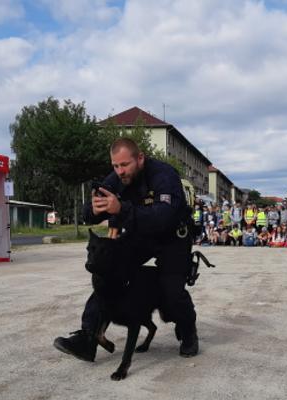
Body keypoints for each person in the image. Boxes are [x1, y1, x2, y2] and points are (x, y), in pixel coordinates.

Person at [53, 137, 199, 361]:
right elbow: (90, 212)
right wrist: (93, 209)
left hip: (172, 237)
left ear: (139, 158)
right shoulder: (117, 178)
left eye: (124, 165)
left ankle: (188, 332)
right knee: (107, 272)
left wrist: (121, 209)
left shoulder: (164, 175)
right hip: (140, 234)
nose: (119, 171)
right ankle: (88, 338)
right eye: (115, 166)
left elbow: (163, 217)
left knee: (171, 291)